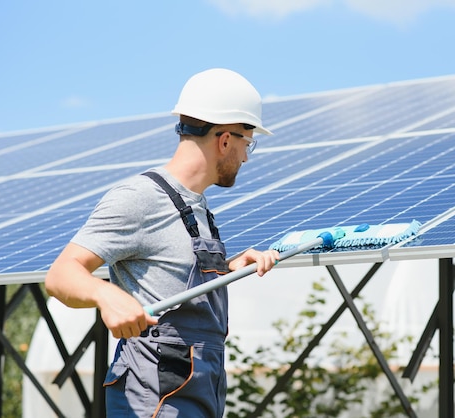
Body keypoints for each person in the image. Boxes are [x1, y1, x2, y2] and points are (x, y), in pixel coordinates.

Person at [45, 68, 280, 417]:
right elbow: (60, 275)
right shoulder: (140, 198)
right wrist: (107, 295)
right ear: (225, 140)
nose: (246, 156)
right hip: (154, 395)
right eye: (248, 143)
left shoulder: (196, 206)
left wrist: (227, 269)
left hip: (202, 387)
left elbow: (169, 275)